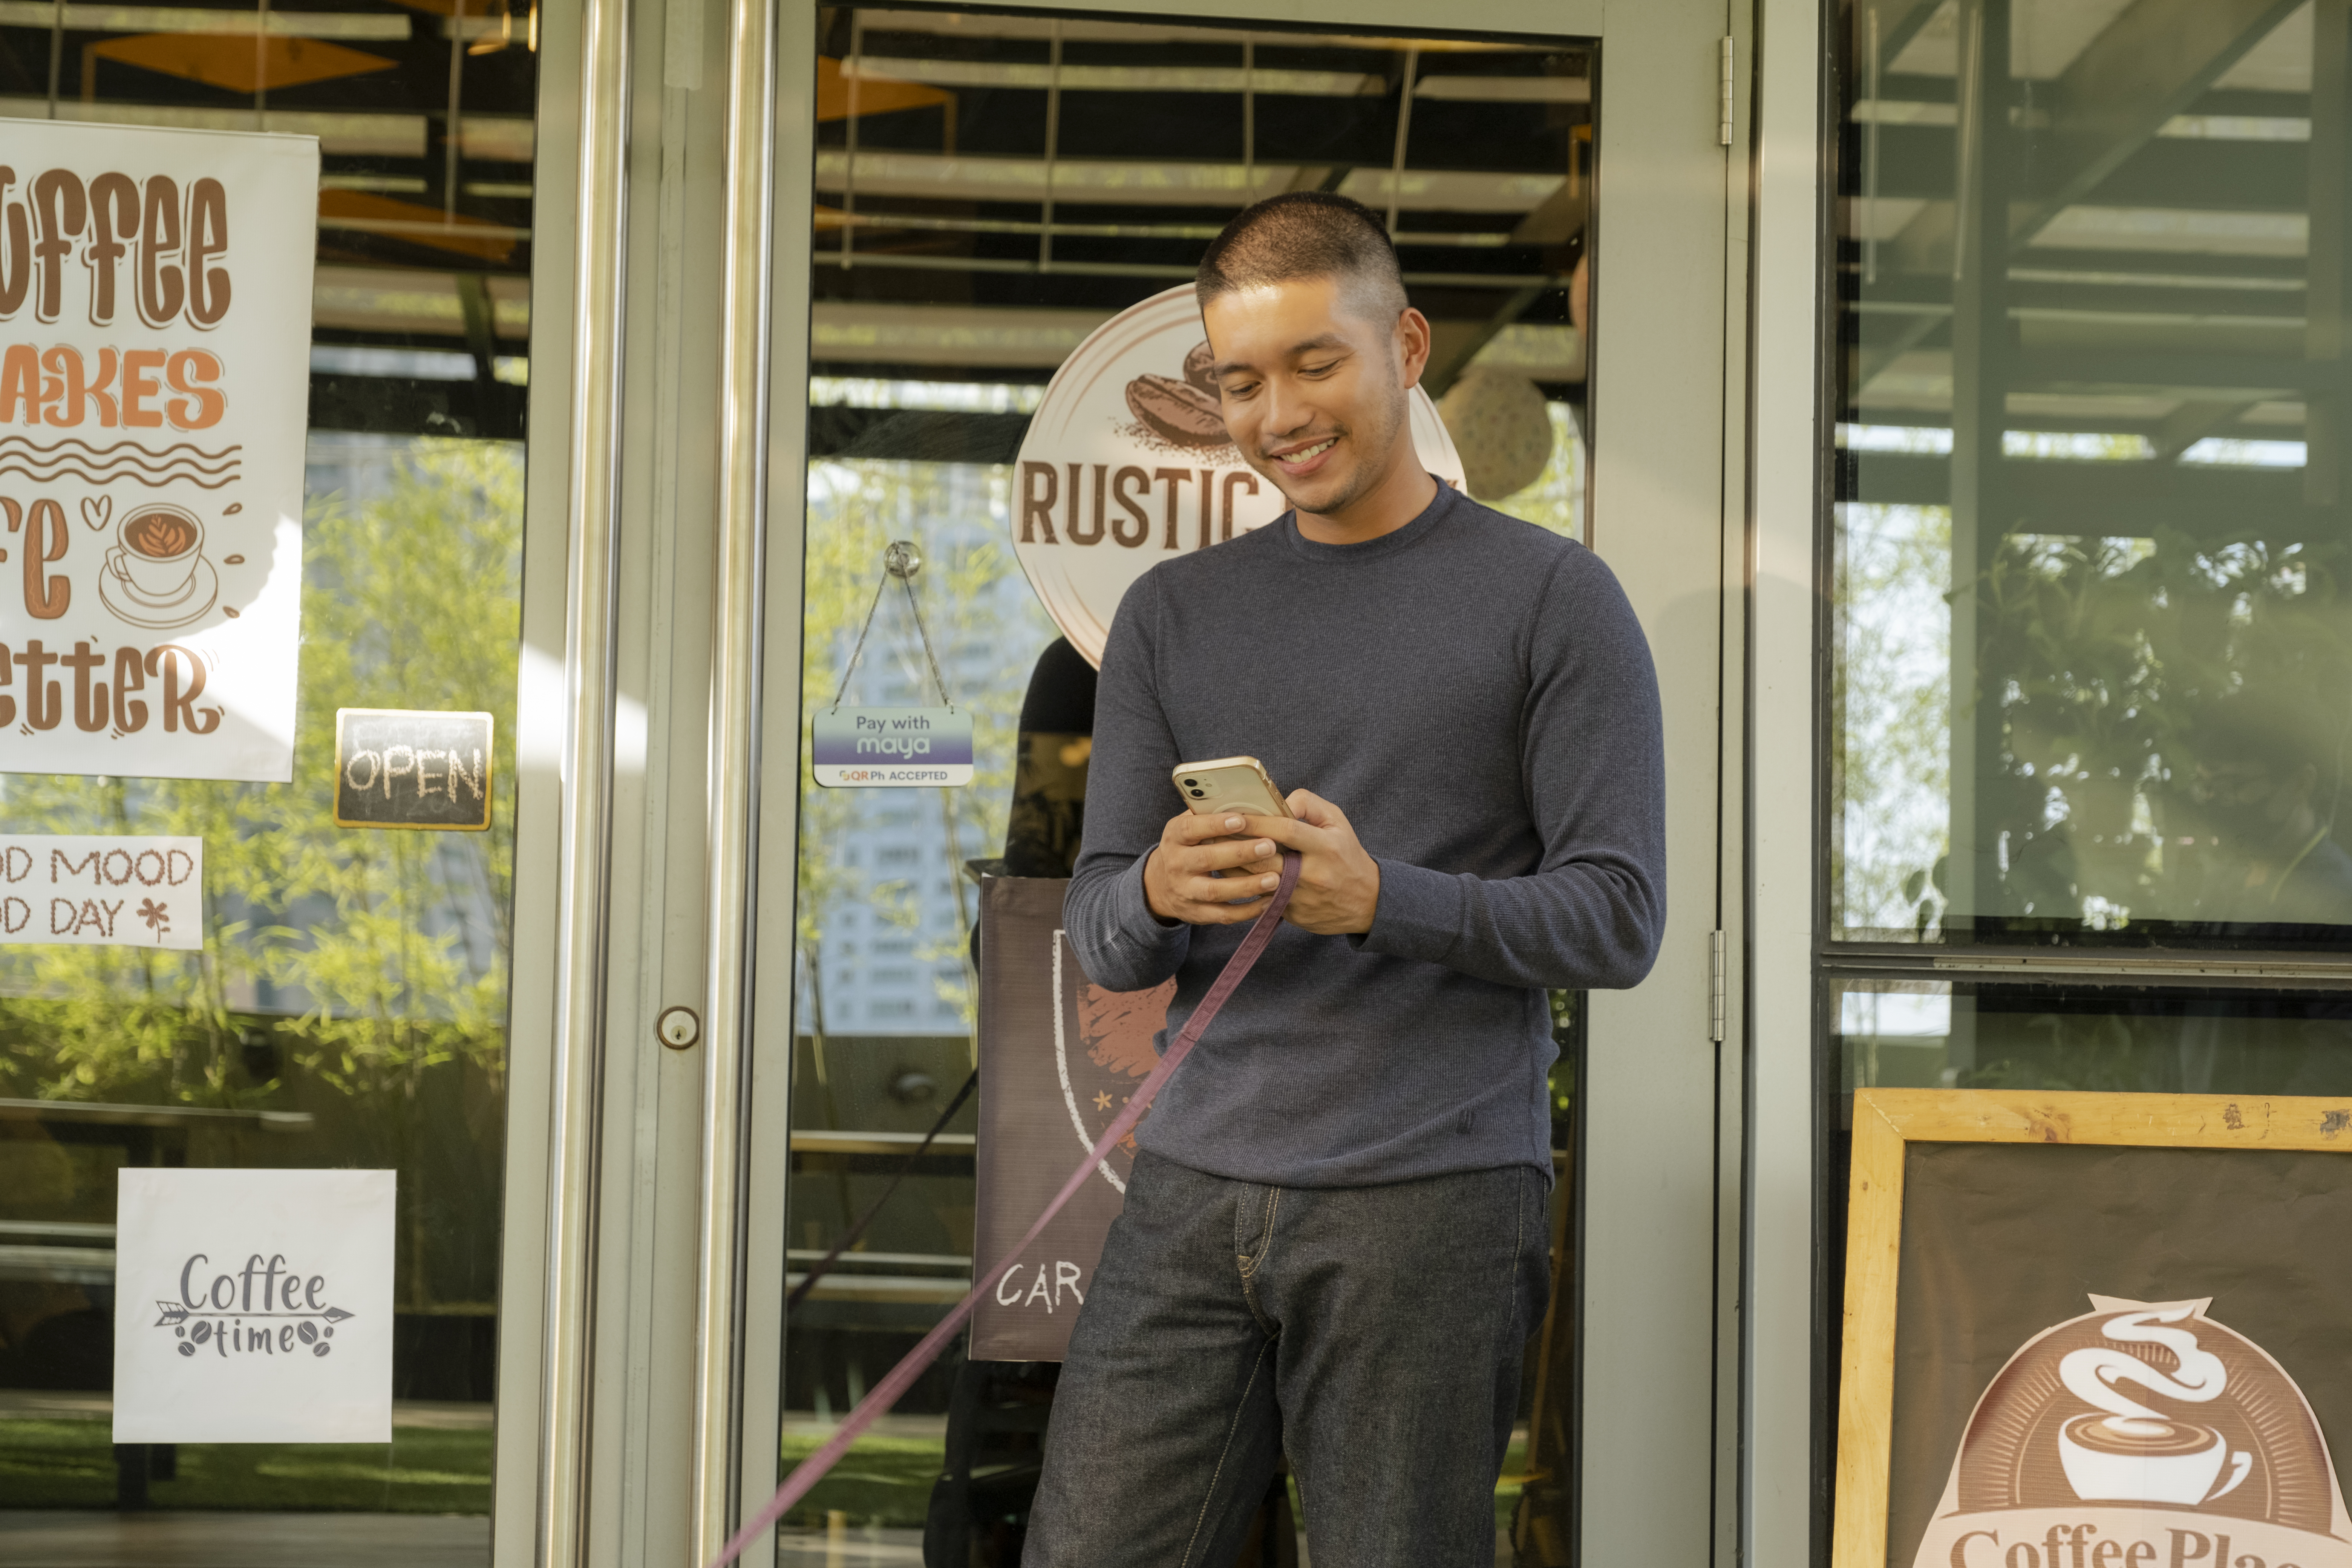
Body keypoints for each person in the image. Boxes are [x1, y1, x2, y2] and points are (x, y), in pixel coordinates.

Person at [1023, 191, 1666, 1566]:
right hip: (1190, 1189)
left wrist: (1388, 901)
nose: (1278, 415)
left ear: (1408, 345)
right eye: (1240, 381)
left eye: (1316, 363)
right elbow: (1100, 931)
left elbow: (1619, 918)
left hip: (1429, 1203)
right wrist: (1159, 893)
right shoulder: (1168, 617)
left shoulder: (1556, 599)